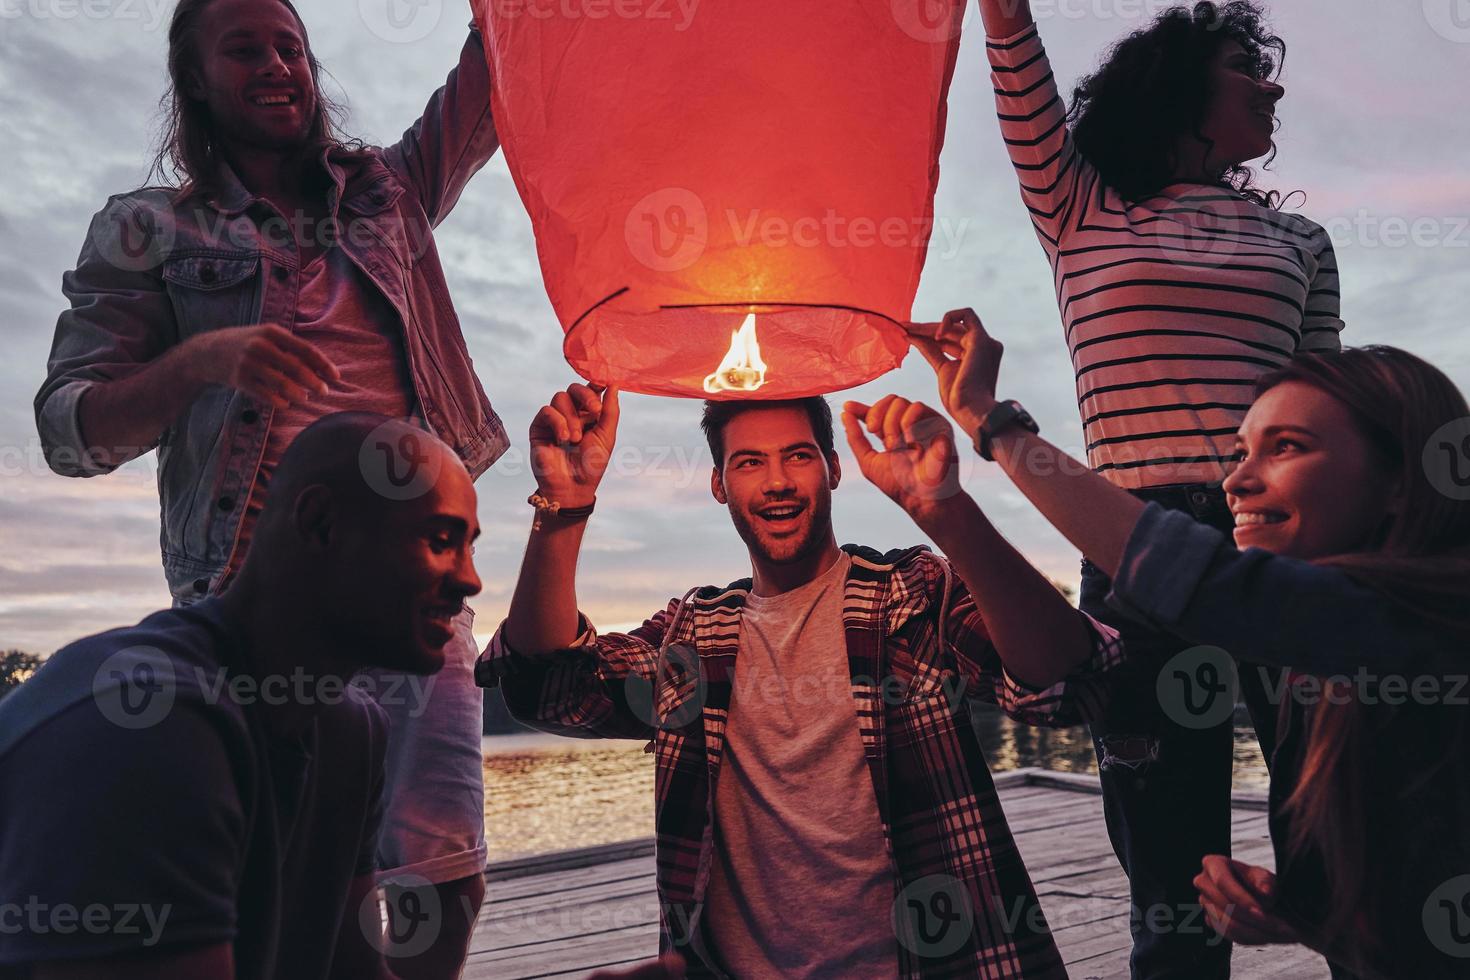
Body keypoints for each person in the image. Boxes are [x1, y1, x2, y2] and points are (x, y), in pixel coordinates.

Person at [32, 1, 508, 974]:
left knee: (438, 858)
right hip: (258, 600)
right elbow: (69, 431)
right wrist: (202, 358)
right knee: (292, 879)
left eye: (291, 44)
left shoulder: (389, 191)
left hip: (413, 579)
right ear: (195, 78)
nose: (277, 63)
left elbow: (495, 77)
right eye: (244, 47)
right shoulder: (146, 229)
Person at [477, 381, 1125, 978]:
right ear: (719, 485)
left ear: (835, 467)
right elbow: (553, 687)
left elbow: (1073, 682)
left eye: (799, 456)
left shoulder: (914, 592)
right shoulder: (691, 632)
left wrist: (949, 511)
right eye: (750, 462)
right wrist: (564, 506)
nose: (778, 481)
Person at [902, 309, 1470, 979]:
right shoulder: (1317, 661)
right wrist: (1305, 912)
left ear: (1402, 479)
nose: (1236, 482)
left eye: (1285, 446)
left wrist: (988, 419)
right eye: (1240, 452)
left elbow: (1183, 571)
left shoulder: (1421, 626)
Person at [974, 1, 1346, 975]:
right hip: (1132, 545)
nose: (1272, 85)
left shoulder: (1302, 241)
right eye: (1243, 68)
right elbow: (1018, 78)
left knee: (1344, 839)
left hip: (1282, 544)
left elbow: (1330, 412)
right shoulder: (1080, 205)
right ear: (1179, 91)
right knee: (1173, 883)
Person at [0, 414, 482, 979]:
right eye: (441, 542)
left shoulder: (351, 733)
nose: (471, 579)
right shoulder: (151, 725)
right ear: (320, 522)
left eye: (469, 548)